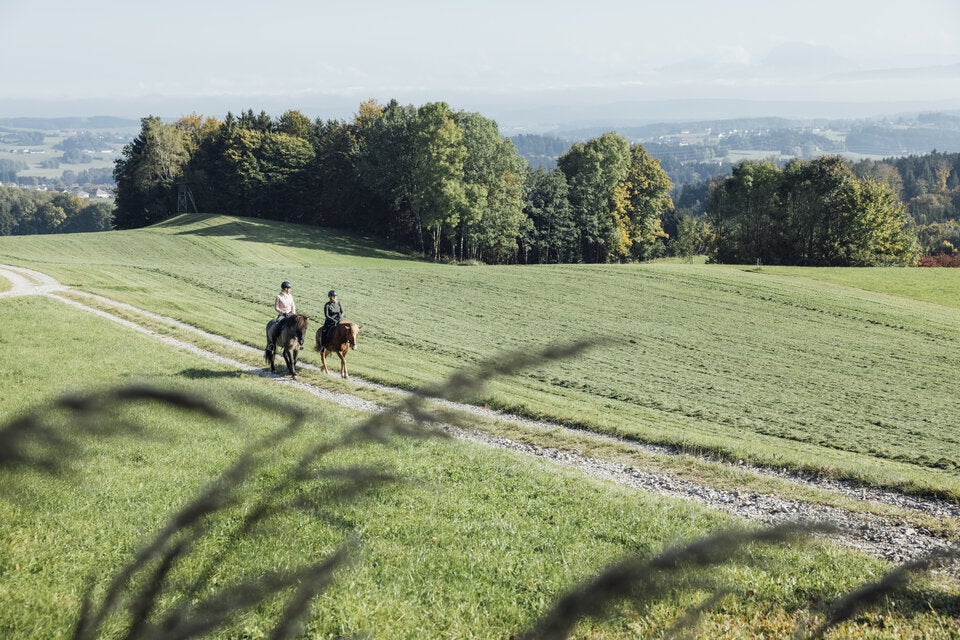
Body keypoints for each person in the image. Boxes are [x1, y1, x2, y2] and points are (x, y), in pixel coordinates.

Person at [269, 281, 301, 349]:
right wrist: (282, 312)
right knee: (277, 327)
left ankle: (298, 343)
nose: (290, 290)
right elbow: (276, 307)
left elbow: (293, 305)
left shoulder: (290, 296)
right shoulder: (278, 297)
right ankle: (272, 344)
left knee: (298, 326)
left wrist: (293, 313)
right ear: (285, 289)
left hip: (291, 314)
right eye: (289, 288)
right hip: (283, 315)